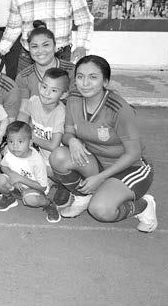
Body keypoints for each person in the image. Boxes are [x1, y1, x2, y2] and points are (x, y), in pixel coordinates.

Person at [49, 55, 157, 232]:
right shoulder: (74, 99)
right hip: (97, 161)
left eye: (93, 77)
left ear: (105, 81)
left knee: (101, 210)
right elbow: (67, 133)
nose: (85, 83)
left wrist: (100, 178)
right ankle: (83, 197)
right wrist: (73, 141)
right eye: (80, 77)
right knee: (59, 156)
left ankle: (143, 206)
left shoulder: (119, 109)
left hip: (131, 167)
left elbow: (134, 154)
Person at [0, 121, 61, 223]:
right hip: (17, 185)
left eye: (20, 142)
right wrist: (11, 175)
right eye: (11, 142)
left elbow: (42, 186)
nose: (15, 146)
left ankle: (49, 204)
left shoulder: (36, 161)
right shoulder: (10, 152)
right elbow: (3, 166)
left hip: (34, 188)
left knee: (31, 200)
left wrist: (20, 179)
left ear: (30, 143)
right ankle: (9, 198)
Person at [17, 68, 69, 189]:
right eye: (44, 87)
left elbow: (54, 146)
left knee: (42, 170)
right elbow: (29, 121)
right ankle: (45, 180)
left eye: (54, 90)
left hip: (58, 159)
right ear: (39, 85)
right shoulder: (34, 101)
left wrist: (30, 137)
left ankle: (64, 185)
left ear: (63, 94)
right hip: (41, 154)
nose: (46, 93)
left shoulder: (60, 112)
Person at [14, 21, 75, 108]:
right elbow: (24, 110)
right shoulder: (23, 77)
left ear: (54, 46)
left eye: (46, 45)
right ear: (29, 49)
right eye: (34, 46)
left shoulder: (72, 71)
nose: (40, 50)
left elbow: (77, 105)